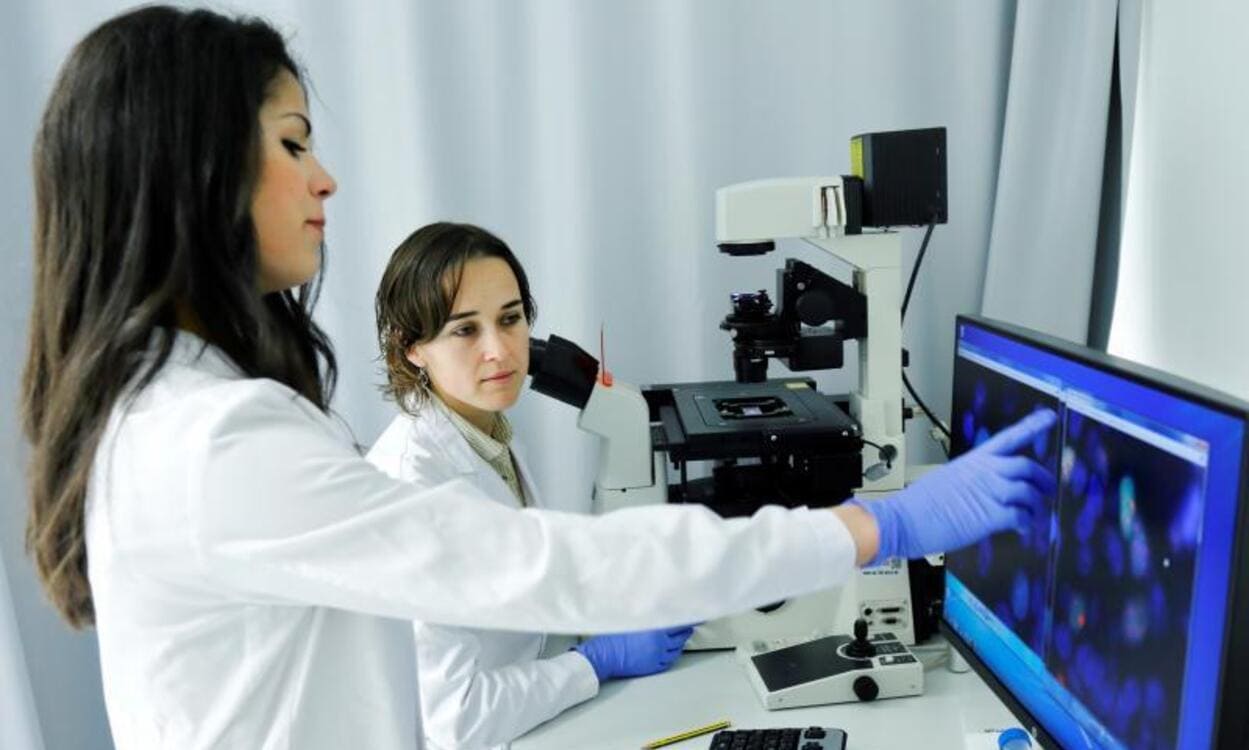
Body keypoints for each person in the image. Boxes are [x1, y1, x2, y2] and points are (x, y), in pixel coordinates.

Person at [20, 6, 1056, 748]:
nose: (325, 176)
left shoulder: (170, 416)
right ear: (194, 171)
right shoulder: (212, 443)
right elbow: (538, 568)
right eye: (291, 143)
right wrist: (882, 528)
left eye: (512, 320)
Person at [369, 222, 695, 749]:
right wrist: (594, 663)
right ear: (412, 348)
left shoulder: (485, 427)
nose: (500, 351)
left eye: (510, 319)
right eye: (465, 330)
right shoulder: (413, 486)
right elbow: (456, 721)